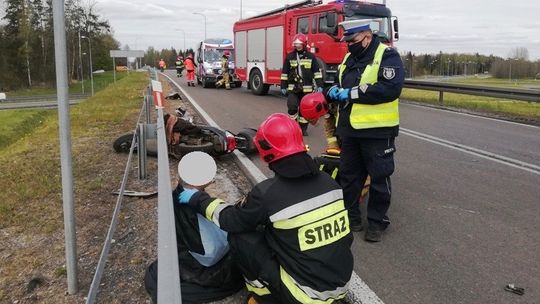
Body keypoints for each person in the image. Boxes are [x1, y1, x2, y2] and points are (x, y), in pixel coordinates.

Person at [177, 113, 353, 304]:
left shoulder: (268, 193)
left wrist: (197, 199)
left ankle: (263, 295)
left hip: (303, 297)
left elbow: (230, 220)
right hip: (340, 286)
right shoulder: (330, 183)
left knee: (241, 237)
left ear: (266, 152)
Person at [326, 20, 404, 242]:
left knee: (380, 178)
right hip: (350, 130)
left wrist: (350, 94)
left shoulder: (387, 55)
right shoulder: (350, 58)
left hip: (378, 132)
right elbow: (337, 81)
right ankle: (352, 218)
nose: (349, 45)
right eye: (347, 41)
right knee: (350, 176)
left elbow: (390, 89)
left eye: (353, 40)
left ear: (367, 37)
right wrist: (330, 89)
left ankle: (377, 223)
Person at [280, 33, 324, 136]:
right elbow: (284, 73)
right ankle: (294, 127)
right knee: (292, 107)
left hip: (307, 90)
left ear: (304, 44)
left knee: (304, 111)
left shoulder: (311, 57)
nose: (297, 46)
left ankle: (303, 129)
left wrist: (320, 85)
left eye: (299, 44)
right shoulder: (290, 57)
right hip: (293, 89)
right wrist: (283, 86)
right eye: (296, 44)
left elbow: (317, 73)